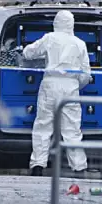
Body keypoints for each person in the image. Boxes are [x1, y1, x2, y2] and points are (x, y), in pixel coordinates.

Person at [20, 10, 91, 177]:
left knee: (43, 126)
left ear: (56, 22)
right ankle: (79, 168)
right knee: (72, 129)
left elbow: (29, 52)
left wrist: (24, 53)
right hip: (70, 87)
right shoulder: (80, 44)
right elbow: (86, 74)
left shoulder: (49, 38)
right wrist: (75, 85)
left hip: (50, 84)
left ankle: (38, 165)